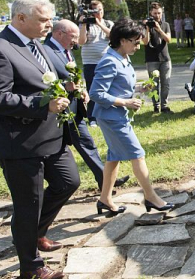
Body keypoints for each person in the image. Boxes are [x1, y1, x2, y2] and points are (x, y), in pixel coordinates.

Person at [0, 0, 80, 279]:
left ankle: (34, 231)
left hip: (50, 136)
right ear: (21, 18)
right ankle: (31, 267)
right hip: (18, 142)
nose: (50, 24)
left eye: (50, 19)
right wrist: (41, 105)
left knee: (68, 182)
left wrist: (66, 87)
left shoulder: (37, 44)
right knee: (28, 203)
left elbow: (40, 80)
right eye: (43, 20)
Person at [90, 18, 173, 216]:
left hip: (117, 115)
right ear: (122, 40)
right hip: (111, 117)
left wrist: (140, 89)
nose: (138, 45)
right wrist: (125, 102)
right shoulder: (109, 61)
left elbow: (119, 86)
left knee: (113, 157)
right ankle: (151, 197)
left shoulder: (123, 58)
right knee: (137, 154)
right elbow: (96, 93)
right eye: (135, 42)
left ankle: (105, 199)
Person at [44, 20, 130, 191]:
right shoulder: (47, 51)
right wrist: (63, 86)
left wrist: (81, 89)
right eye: (73, 36)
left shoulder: (65, 50)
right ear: (59, 33)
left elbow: (72, 74)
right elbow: (44, 78)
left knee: (86, 142)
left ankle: (105, 181)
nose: (76, 40)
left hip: (74, 108)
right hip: (56, 112)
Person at [78, 0, 114, 125]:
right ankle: (92, 117)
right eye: (95, 10)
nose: (98, 13)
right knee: (92, 89)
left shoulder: (108, 23)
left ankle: (106, 114)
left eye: (100, 10)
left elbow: (113, 36)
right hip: (90, 62)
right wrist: (83, 24)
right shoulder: (86, 24)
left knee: (107, 88)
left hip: (105, 61)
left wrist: (99, 24)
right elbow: (81, 41)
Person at [142, 2, 172, 114]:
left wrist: (159, 29)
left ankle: (164, 106)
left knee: (166, 84)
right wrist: (148, 29)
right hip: (151, 59)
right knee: (154, 85)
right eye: (155, 13)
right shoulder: (145, 25)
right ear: (150, 13)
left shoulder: (165, 25)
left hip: (165, 59)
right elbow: (145, 42)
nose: (157, 16)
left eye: (159, 13)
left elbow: (168, 40)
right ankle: (156, 106)